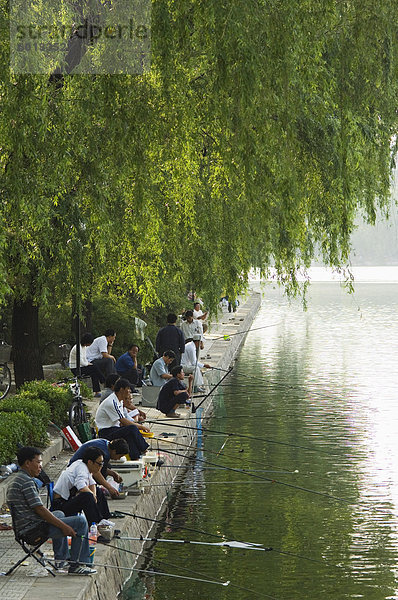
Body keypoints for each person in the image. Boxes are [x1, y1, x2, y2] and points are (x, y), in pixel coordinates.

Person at [6, 446, 96, 575]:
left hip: (25, 527)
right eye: (38, 462)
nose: (40, 466)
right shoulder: (26, 482)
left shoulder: (19, 479)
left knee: (59, 514)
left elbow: (39, 510)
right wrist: (64, 527)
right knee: (80, 522)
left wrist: (59, 522)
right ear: (27, 463)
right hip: (32, 531)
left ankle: (61, 559)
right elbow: (41, 510)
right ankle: (78, 564)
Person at [52, 446, 111, 525]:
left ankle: (105, 519)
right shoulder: (81, 468)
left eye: (102, 463)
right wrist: (92, 496)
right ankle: (95, 524)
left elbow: (92, 483)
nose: (101, 466)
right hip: (61, 505)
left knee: (98, 491)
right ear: (90, 462)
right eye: (99, 464)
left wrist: (94, 495)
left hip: (70, 499)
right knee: (87, 496)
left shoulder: (84, 465)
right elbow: (81, 487)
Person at [95, 378, 150, 459]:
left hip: (114, 428)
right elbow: (123, 421)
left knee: (129, 435)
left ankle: (136, 457)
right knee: (132, 428)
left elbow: (127, 407)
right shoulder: (112, 402)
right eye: (128, 389)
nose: (129, 391)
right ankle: (145, 449)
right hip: (105, 432)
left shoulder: (119, 400)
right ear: (121, 389)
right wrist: (141, 427)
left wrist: (139, 411)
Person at [69, 332, 106, 397]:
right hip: (75, 368)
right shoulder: (78, 348)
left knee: (94, 372)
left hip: (81, 366)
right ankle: (103, 381)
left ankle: (97, 392)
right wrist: (88, 364)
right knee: (94, 367)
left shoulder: (84, 347)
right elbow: (82, 362)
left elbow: (85, 359)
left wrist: (88, 363)